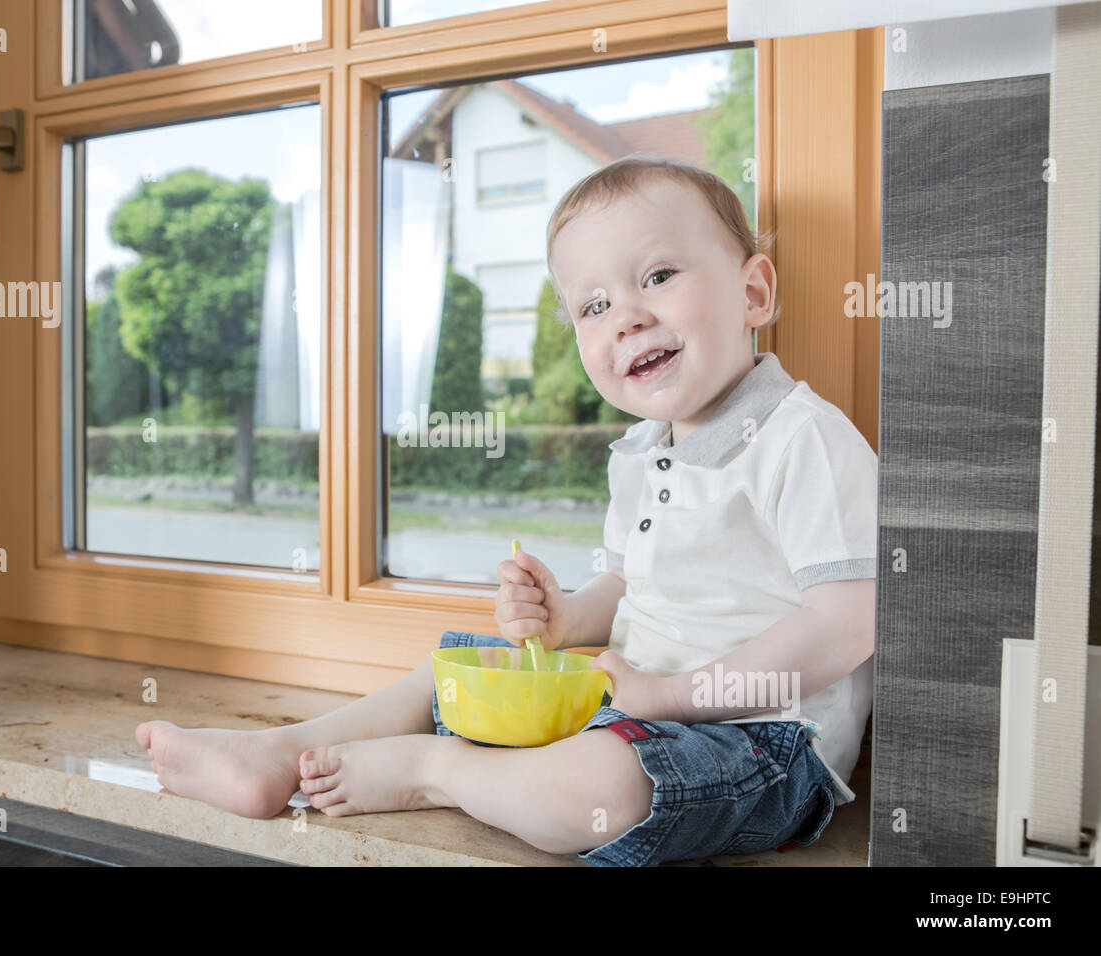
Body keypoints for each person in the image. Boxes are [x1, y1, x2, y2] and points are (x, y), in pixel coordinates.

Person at [135, 155, 878, 866]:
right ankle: (280, 752)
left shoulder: (801, 438)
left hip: (764, 747)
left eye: (657, 276)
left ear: (753, 294)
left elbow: (845, 626)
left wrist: (670, 696)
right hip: (635, 710)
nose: (626, 316)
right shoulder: (642, 454)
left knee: (596, 785)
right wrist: (565, 622)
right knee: (462, 667)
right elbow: (628, 590)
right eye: (593, 305)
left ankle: (432, 769)